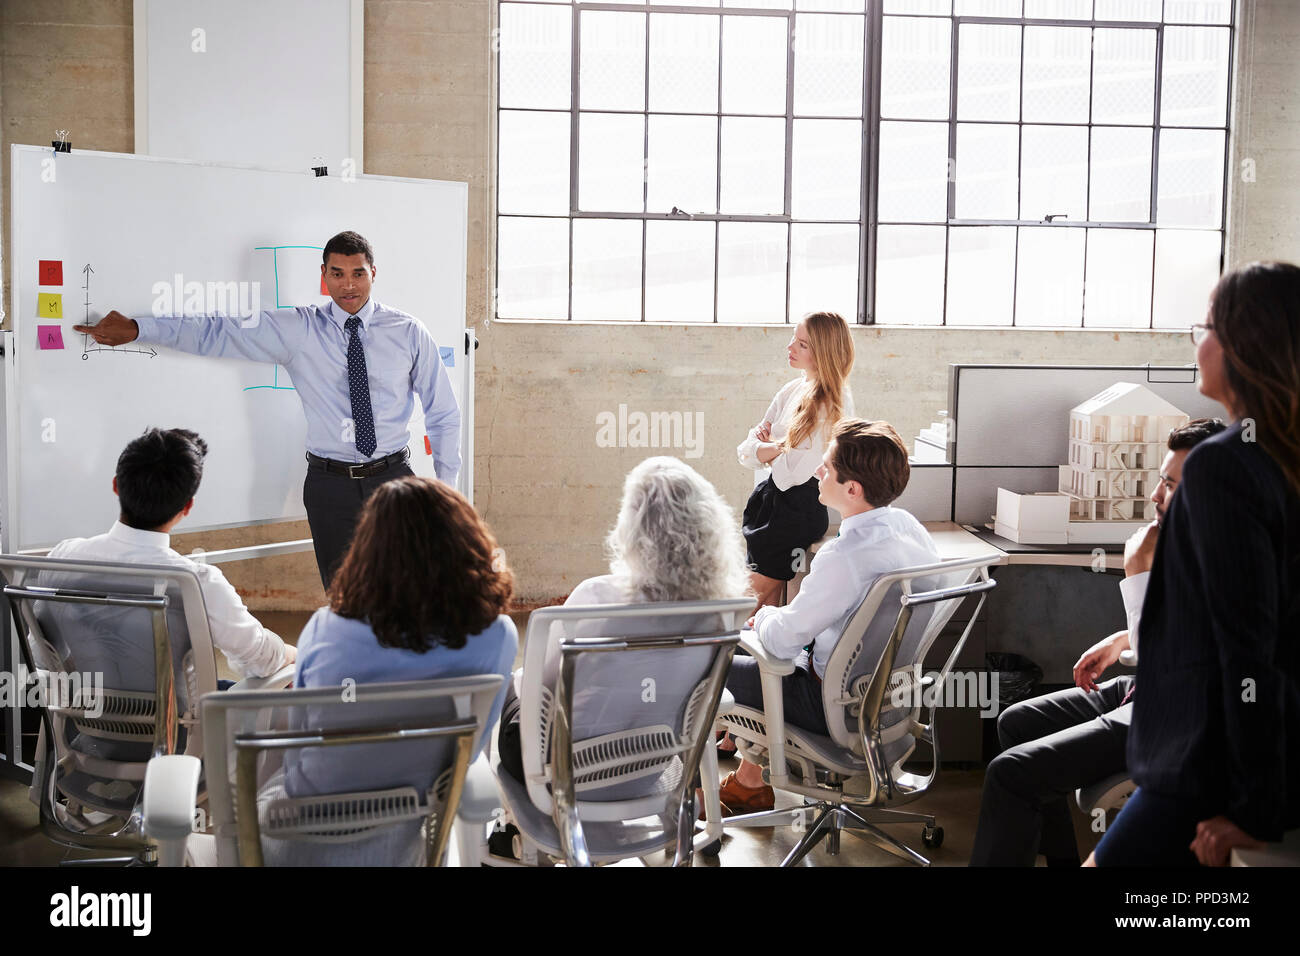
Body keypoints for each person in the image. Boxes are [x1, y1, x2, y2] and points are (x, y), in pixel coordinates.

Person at [73, 231, 460, 588]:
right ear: (323, 275)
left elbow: (443, 413)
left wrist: (447, 492)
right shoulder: (300, 329)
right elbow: (218, 332)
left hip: (393, 478)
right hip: (331, 487)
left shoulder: (408, 332)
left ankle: (401, 663)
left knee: (408, 591)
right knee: (345, 597)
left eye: (358, 273)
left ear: (373, 273)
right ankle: (354, 663)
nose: (348, 285)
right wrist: (140, 329)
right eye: (337, 274)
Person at [1090, 261, 1300, 867]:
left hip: (1210, 764)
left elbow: (1246, 648)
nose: (1196, 340)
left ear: (1243, 343)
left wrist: (1254, 805)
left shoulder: (1224, 466)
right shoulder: (1278, 454)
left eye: (1204, 325)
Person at [969, 418, 1226, 867]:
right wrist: (1122, 638)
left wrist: (1138, 572)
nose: (1155, 497)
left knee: (1009, 774)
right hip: (1145, 690)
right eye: (1160, 480)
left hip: (1178, 717)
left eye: (1171, 485)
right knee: (1015, 723)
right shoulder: (1188, 538)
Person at [266, 475, 517, 866]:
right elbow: (466, 754)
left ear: (369, 550)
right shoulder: (497, 636)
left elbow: (300, 746)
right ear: (465, 543)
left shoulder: (325, 628)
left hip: (300, 837)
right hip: (408, 835)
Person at [718, 419, 940, 815]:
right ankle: (750, 783)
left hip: (828, 705)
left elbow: (783, 639)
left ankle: (687, 798)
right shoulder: (909, 528)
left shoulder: (844, 555)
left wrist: (766, 616)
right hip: (885, 701)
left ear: (851, 489)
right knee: (770, 650)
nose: (818, 471)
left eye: (826, 466)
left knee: (704, 665)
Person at [496, 456, 750, 787]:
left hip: (566, 773)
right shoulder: (721, 612)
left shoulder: (595, 597)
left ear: (632, 526)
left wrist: (518, 680)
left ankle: (509, 825)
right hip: (652, 767)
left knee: (514, 683)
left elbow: (543, 686)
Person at [44, 427, 294, 696]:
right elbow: (260, 659)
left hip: (85, 720)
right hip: (178, 728)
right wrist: (291, 654)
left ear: (116, 485)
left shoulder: (64, 558)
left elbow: (43, 650)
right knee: (280, 679)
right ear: (187, 507)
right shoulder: (195, 582)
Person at [737, 312, 855, 610]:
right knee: (765, 602)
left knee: (747, 599)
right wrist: (774, 447)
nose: (790, 347)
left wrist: (769, 448)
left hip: (796, 511)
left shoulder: (834, 400)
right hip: (770, 506)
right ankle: (755, 657)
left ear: (823, 352)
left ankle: (719, 655)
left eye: (802, 344)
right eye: (794, 338)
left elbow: (797, 471)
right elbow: (746, 451)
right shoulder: (792, 389)